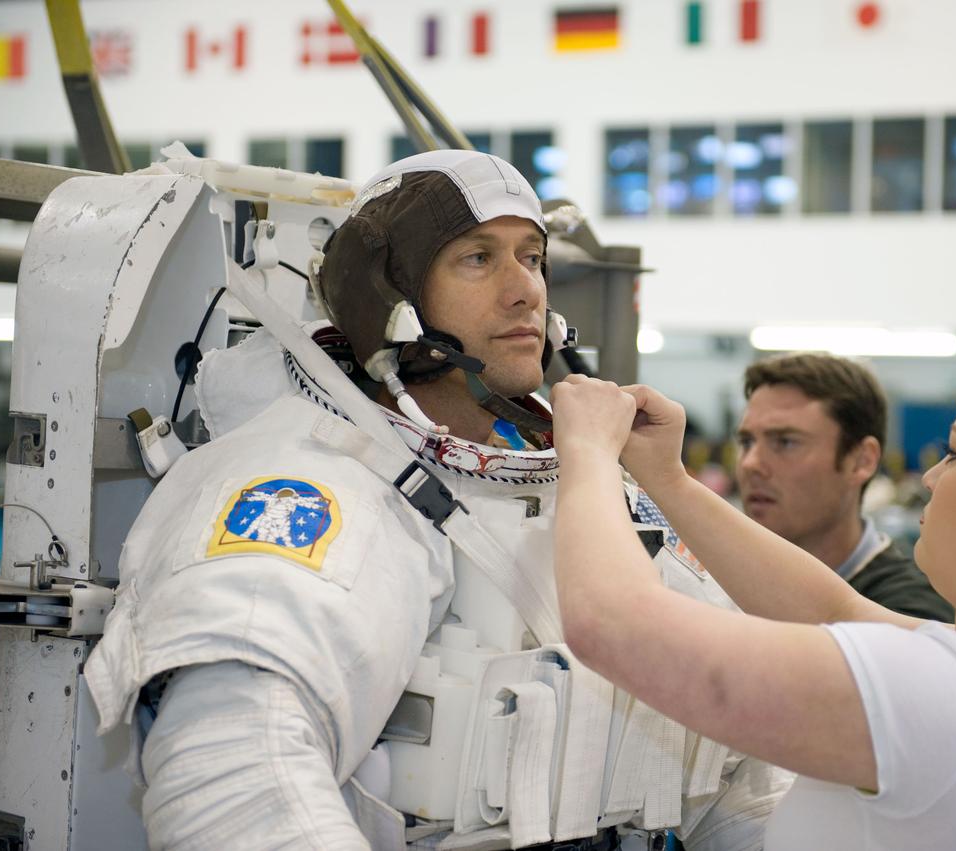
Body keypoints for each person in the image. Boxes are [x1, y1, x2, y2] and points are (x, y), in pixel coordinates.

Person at [86, 150, 790, 851]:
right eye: (478, 259)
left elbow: (737, 750)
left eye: (532, 256)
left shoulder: (588, 477)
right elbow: (234, 779)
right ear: (387, 297)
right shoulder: (316, 483)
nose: (526, 291)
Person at [550, 339, 956, 849]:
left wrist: (585, 450)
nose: (929, 477)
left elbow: (615, 623)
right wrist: (668, 478)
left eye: (953, 453)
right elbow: (837, 611)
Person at [737, 353, 953, 620]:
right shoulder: (721, 580)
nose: (750, 463)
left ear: (861, 461)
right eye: (746, 442)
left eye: (785, 442)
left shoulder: (912, 615)